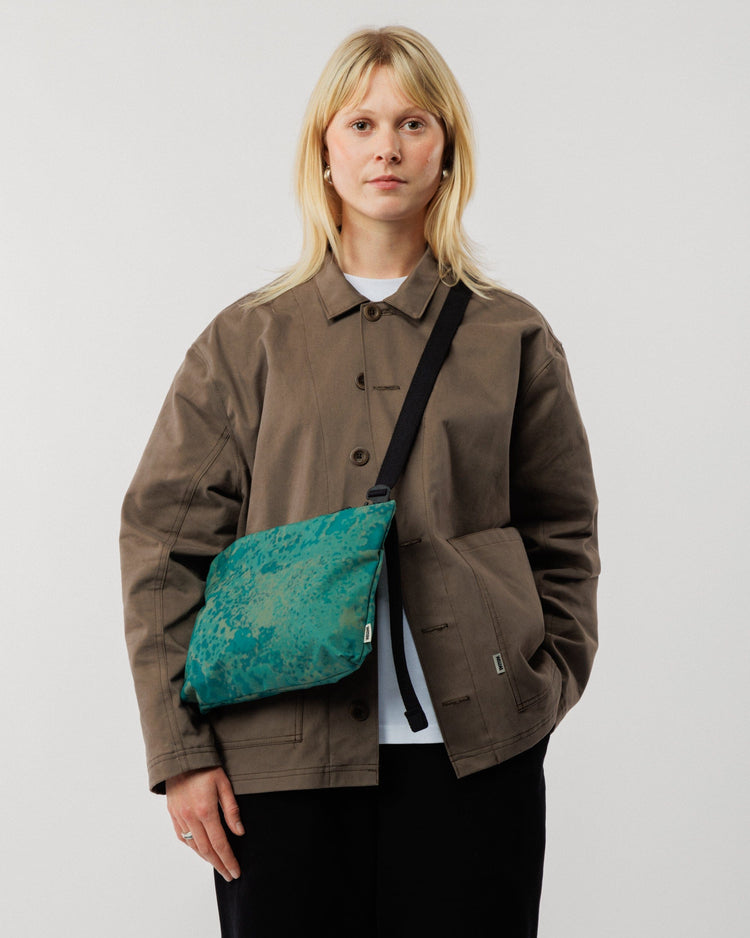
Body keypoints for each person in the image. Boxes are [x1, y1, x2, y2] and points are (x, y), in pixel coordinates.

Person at [120, 25, 599, 938]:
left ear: (446, 151)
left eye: (414, 123)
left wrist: (541, 688)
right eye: (362, 123)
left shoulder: (512, 336)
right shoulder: (246, 340)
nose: (387, 147)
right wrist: (181, 752)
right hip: (277, 768)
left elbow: (563, 534)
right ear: (325, 153)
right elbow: (162, 543)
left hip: (474, 762)